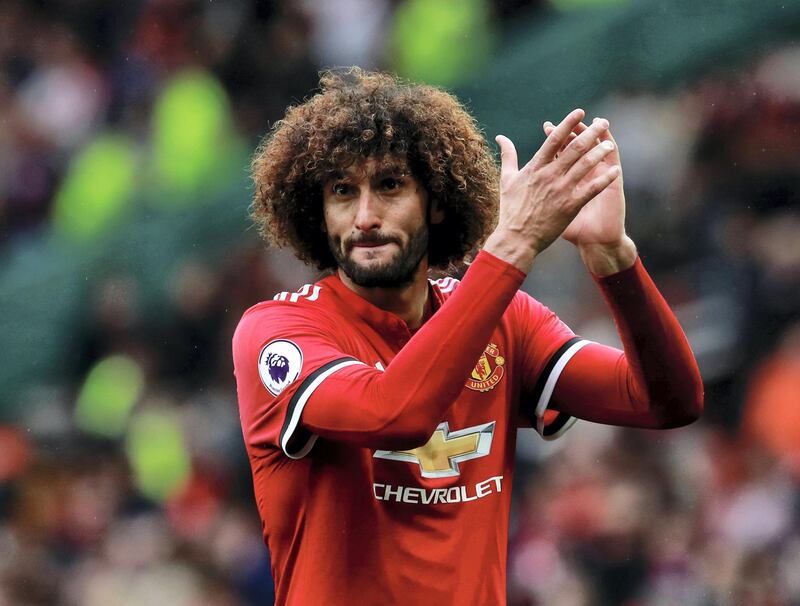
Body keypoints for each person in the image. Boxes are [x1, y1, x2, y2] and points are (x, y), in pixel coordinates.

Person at [233, 68, 703, 605]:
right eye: (343, 191)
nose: (364, 216)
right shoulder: (278, 330)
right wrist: (514, 245)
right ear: (317, 211)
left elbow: (669, 402)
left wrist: (613, 258)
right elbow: (395, 415)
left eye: (389, 186)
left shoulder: (503, 318)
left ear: (435, 202)